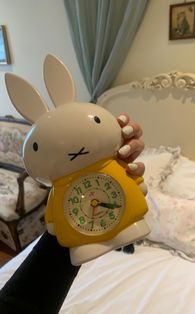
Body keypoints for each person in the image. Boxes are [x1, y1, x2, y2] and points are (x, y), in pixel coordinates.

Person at [0, 114, 145, 314]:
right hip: (74, 241)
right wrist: (65, 231)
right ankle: (86, 246)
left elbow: (16, 305)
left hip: (126, 223)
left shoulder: (113, 163)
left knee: (128, 228)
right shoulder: (58, 189)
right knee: (82, 250)